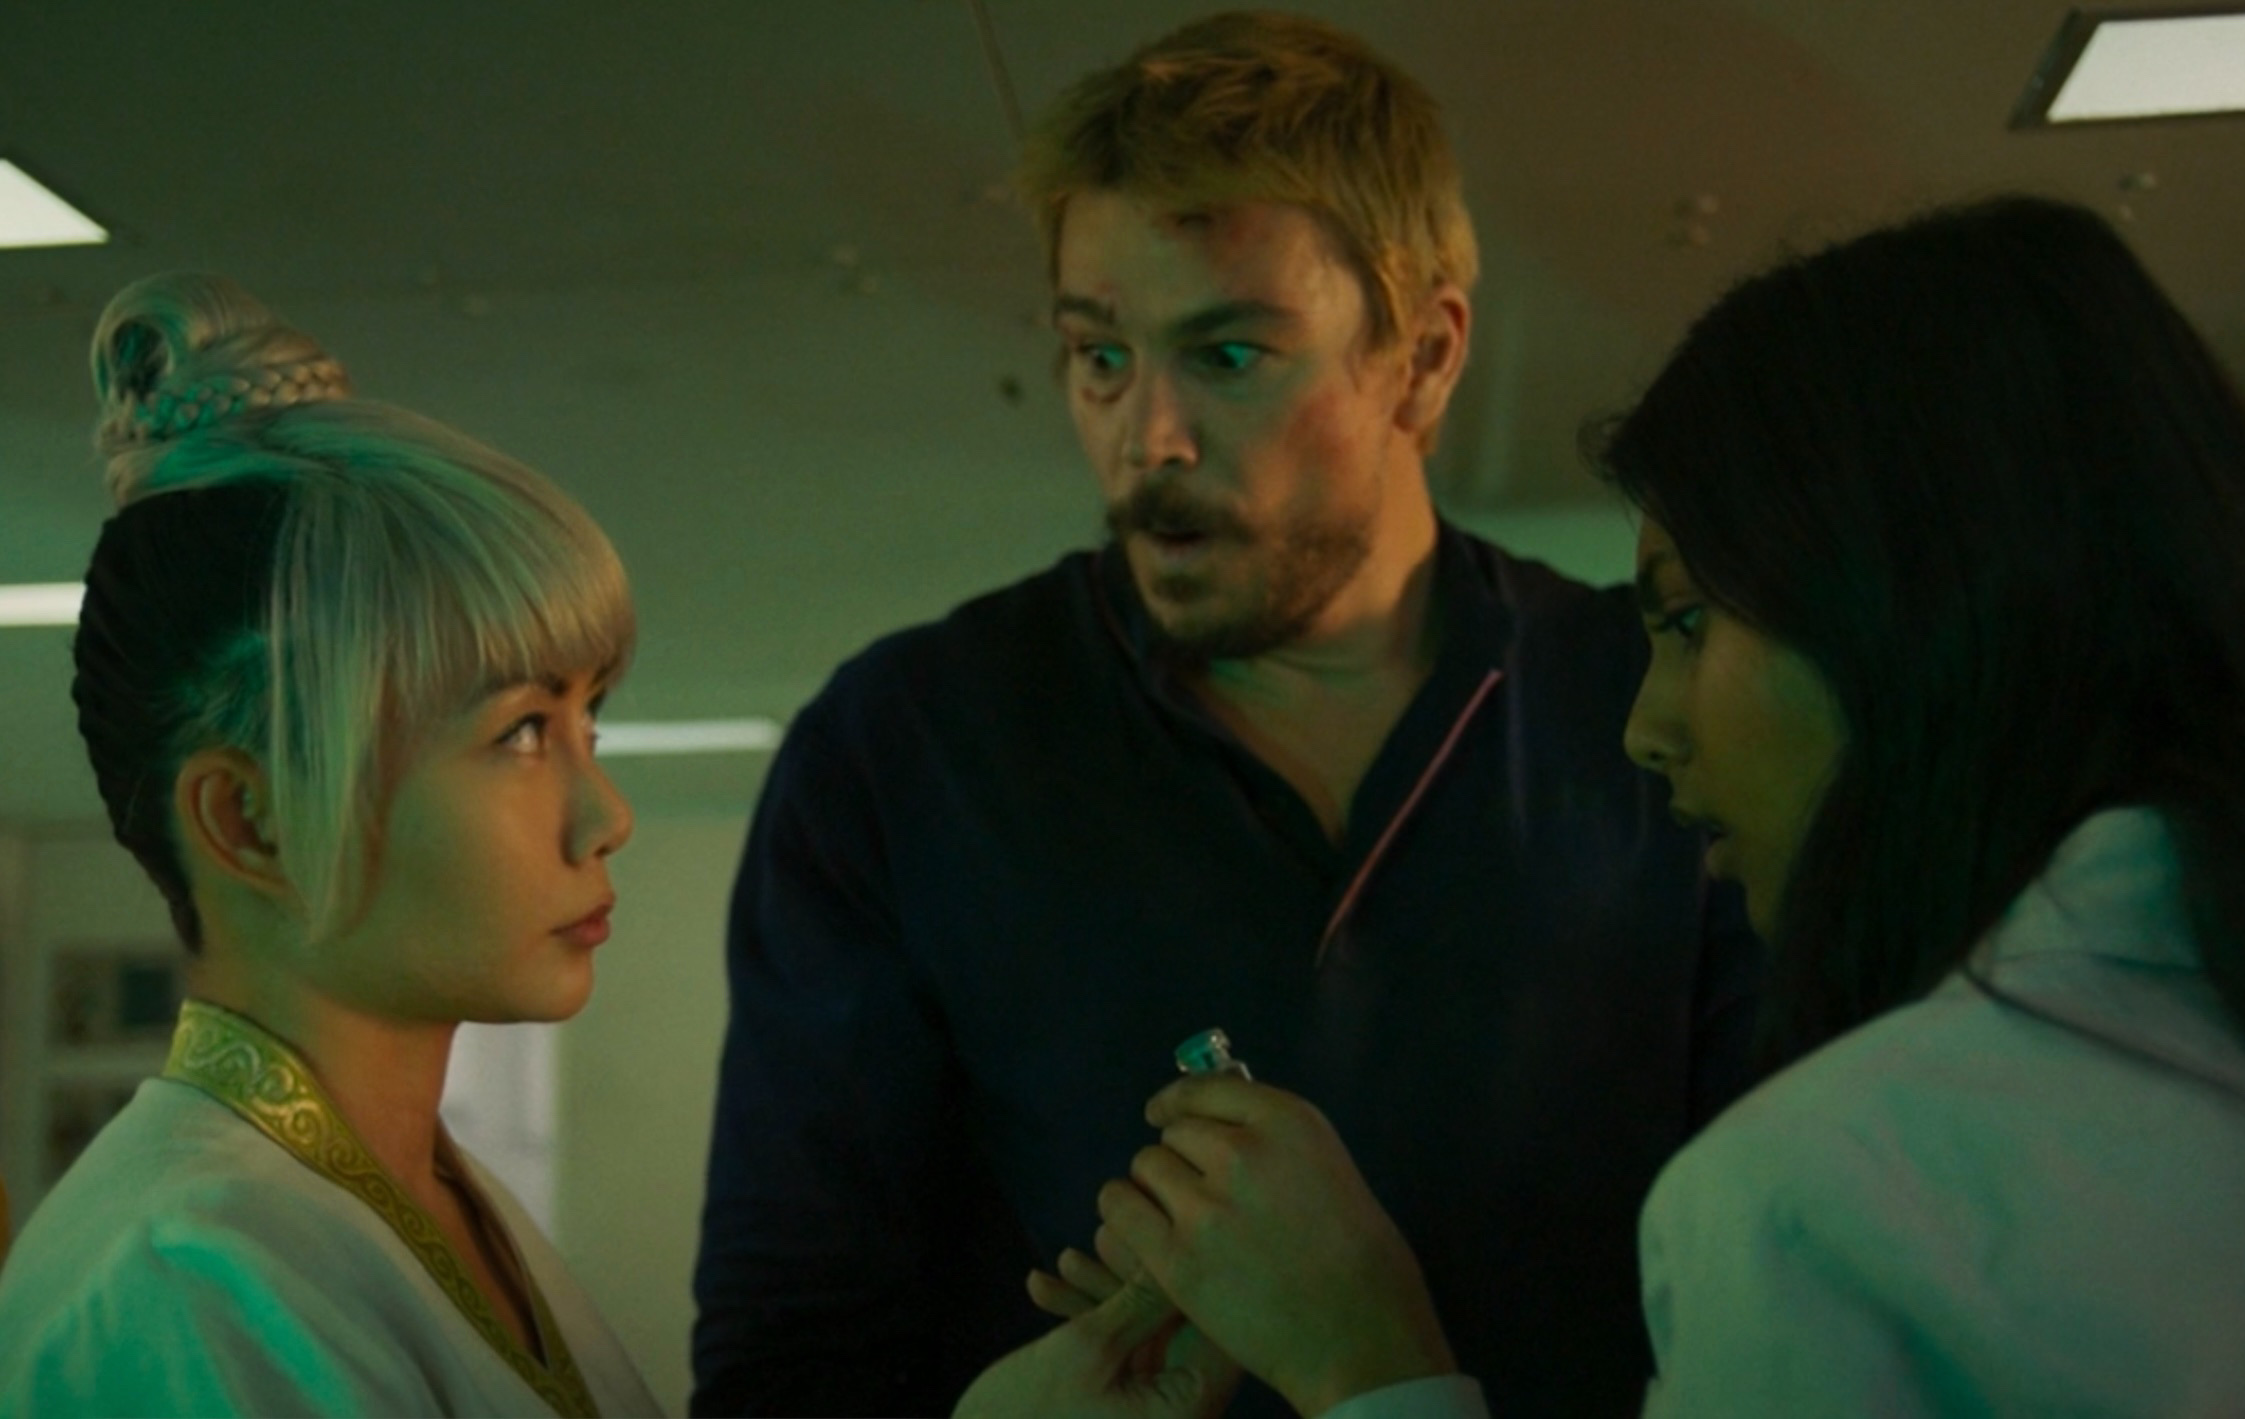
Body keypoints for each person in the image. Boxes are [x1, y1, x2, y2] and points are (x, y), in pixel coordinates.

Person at [975, 193, 2245, 1414]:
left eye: (1685, 620)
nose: (1643, 728)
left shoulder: (1826, 1196)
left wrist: (1367, 1367)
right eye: (1097, 354)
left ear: (1916, 612)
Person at [691, 11, 1759, 1417]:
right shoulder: (905, 747)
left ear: (1423, 356)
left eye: (1231, 355)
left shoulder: (1656, 708)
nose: (1150, 439)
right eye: (1099, 356)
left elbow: (1793, 1295)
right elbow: (787, 1357)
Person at [0, 273, 662, 1417]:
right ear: (248, 822)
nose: (606, 816)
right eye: (520, 733)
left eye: (585, 724)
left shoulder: (419, 1196)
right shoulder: (187, 1282)